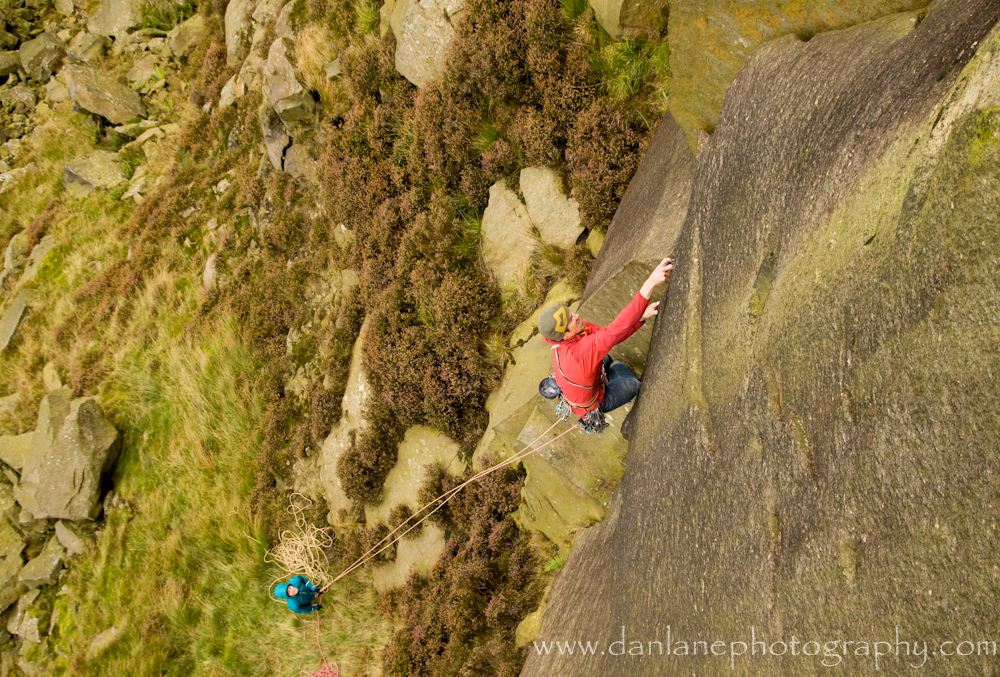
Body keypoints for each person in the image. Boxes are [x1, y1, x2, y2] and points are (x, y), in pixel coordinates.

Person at [537, 258, 674, 424]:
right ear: (564, 336)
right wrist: (650, 283)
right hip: (595, 402)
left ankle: (611, 372)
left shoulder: (570, 334)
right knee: (632, 383)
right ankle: (614, 373)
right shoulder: (579, 353)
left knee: (606, 358)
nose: (577, 316)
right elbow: (613, 332)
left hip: (588, 380)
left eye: (570, 313)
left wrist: (640, 317)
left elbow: (610, 334)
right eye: (571, 320)